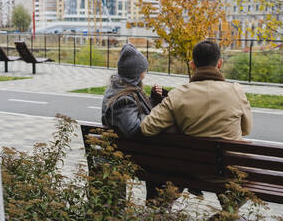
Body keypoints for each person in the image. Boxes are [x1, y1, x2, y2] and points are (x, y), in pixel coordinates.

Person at [140, 40, 253, 213]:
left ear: (192, 64)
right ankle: (228, 213)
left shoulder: (178, 94)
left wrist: (178, 125)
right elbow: (246, 130)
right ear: (220, 63)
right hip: (227, 172)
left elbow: (147, 128)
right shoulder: (236, 91)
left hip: (193, 170)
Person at [101, 43, 169, 200]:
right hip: (130, 156)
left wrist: (152, 100)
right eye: (144, 70)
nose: (145, 73)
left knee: (162, 167)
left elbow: (135, 115)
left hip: (130, 150)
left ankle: (156, 208)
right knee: (163, 169)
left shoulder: (122, 90)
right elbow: (133, 128)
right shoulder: (124, 98)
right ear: (137, 73)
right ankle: (156, 209)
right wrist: (158, 116)